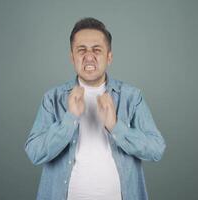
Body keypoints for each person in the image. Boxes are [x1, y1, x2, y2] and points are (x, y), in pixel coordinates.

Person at [25, 17, 166, 200]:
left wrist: (116, 126)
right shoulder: (53, 98)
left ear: (109, 57)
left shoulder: (132, 97)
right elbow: (34, 153)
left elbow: (156, 149)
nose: (89, 56)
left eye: (96, 50)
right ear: (72, 57)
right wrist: (69, 120)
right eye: (81, 50)